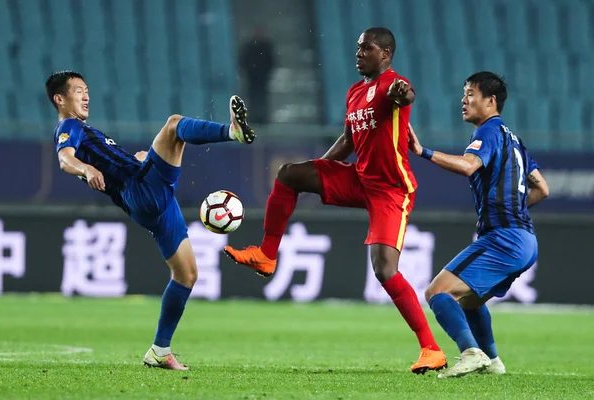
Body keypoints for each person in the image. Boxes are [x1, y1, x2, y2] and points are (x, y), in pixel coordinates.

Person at [225, 27, 448, 374]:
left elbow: (405, 95)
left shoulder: (393, 84)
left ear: (386, 53)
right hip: (360, 178)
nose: (358, 53)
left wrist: (405, 94)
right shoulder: (355, 92)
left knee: (385, 270)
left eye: (366, 48)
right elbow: (347, 141)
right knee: (288, 174)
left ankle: (431, 349)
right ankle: (267, 255)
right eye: (357, 48)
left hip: (391, 189)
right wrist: (320, 172)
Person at [45, 70, 255, 370]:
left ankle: (159, 350)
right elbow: (65, 159)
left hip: (149, 198)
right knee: (174, 126)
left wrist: (140, 160)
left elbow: (112, 164)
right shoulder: (69, 126)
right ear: (60, 98)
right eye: (78, 91)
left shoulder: (88, 132)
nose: (86, 96)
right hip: (142, 191)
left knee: (187, 275)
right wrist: (86, 170)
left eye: (86, 90)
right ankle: (231, 132)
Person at [407, 71, 550, 378]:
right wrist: (510, 208)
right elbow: (542, 188)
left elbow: (469, 166)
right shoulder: (514, 140)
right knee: (470, 301)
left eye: (470, 93)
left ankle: (471, 353)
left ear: (490, 101)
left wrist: (423, 152)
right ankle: (493, 361)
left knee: (437, 293)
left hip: (504, 238)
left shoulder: (488, 131)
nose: (464, 100)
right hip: (525, 239)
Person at [239, 26, 275, 123]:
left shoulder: (266, 46)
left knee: (262, 97)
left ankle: (262, 117)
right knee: (253, 97)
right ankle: (254, 117)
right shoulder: (250, 46)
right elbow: (243, 60)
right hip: (252, 76)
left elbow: (271, 60)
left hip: (262, 76)